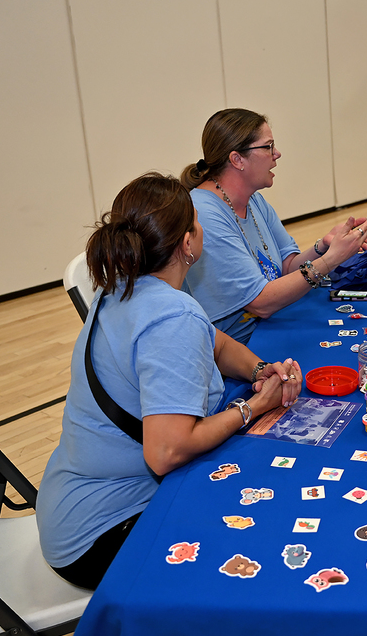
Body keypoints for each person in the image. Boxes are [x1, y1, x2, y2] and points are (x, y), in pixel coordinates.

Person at [37, 173, 302, 590]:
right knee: (266, 541)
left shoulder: (123, 288)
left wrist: (257, 369)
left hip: (70, 508)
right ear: (187, 244)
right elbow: (167, 451)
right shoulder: (172, 316)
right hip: (105, 533)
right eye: (197, 223)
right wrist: (253, 406)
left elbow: (215, 344)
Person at [182, 108, 367, 344]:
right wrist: (330, 260)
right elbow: (262, 303)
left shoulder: (254, 200)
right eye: (268, 146)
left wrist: (322, 247)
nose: (277, 154)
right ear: (237, 159)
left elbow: (286, 268)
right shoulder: (204, 214)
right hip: (241, 345)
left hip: (271, 323)